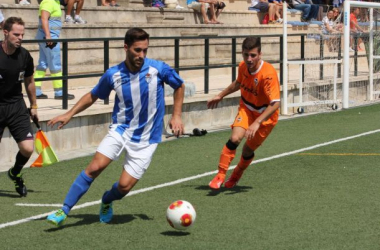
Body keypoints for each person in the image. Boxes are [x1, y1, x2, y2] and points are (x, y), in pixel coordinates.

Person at [46, 28, 185, 226]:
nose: (142, 55)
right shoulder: (113, 74)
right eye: (137, 50)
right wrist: (70, 113)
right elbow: (93, 95)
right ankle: (64, 210)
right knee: (95, 167)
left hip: (147, 138)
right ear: (126, 47)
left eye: (145, 50)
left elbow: (179, 85)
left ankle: (107, 200)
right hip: (121, 130)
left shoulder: (158, 69)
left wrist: (177, 115)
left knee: (124, 186)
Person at [207, 37, 280, 190]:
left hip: (265, 117)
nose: (249, 59)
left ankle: (236, 175)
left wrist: (257, 122)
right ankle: (220, 175)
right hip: (246, 108)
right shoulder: (242, 66)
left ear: (260, 54)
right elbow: (238, 83)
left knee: (247, 149)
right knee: (235, 138)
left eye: (253, 55)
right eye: (246, 55)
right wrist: (221, 95)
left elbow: (275, 103)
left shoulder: (268, 74)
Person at [0, 17, 39, 197]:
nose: (20, 37)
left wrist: (34, 105)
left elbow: (29, 81)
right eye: (16, 34)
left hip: (16, 105)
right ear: (5, 32)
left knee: (28, 148)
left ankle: (15, 172)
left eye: (22, 34)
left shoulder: (25, 55)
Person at [34, 0, 75, 100]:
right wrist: (48, 36)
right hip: (50, 39)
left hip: (46, 38)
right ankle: (59, 92)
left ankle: (35, 91)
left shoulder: (55, 2)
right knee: (55, 64)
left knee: (43, 64)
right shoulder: (49, 1)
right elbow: (44, 18)